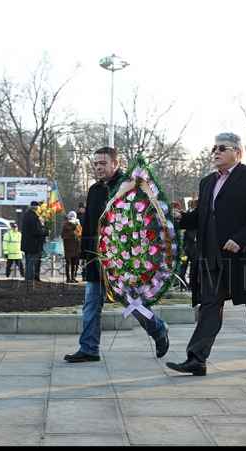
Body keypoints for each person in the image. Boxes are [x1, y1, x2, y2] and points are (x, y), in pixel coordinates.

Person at [166, 133, 246, 375]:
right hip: (211, 257)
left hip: (245, 256)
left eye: (222, 148)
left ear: (238, 153)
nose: (216, 152)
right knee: (209, 305)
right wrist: (181, 218)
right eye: (214, 148)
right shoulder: (207, 182)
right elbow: (202, 217)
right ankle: (196, 359)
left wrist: (239, 240)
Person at [64, 146, 170, 363]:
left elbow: (141, 221)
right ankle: (89, 348)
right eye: (95, 164)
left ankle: (158, 330)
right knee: (92, 303)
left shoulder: (128, 187)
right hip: (97, 258)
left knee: (132, 303)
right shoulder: (94, 190)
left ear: (115, 163)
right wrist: (84, 253)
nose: (98, 168)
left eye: (102, 163)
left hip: (124, 258)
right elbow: (90, 224)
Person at [21, 201, 49, 282]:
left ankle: (27, 277)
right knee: (32, 262)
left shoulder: (26, 216)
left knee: (28, 261)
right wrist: (46, 232)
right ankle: (30, 278)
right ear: (37, 208)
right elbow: (36, 231)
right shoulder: (34, 217)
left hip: (26, 243)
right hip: (33, 244)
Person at [177, 199, 197, 290]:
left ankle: (191, 284)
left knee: (193, 267)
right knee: (183, 267)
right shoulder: (190, 215)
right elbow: (187, 232)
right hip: (188, 246)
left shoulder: (194, 214)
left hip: (194, 246)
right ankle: (182, 284)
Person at [61, 211, 82, 283]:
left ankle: (73, 277)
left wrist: (79, 236)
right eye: (71, 216)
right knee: (69, 262)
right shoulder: (66, 224)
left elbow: (80, 231)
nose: (73, 218)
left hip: (76, 246)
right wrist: (72, 233)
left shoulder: (77, 224)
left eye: (74, 216)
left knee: (75, 262)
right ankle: (68, 278)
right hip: (69, 247)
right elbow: (63, 235)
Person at [77, 202, 87, 280]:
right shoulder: (77, 216)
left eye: (82, 208)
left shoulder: (87, 215)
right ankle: (83, 274)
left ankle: (85, 273)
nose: (81, 209)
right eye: (80, 208)